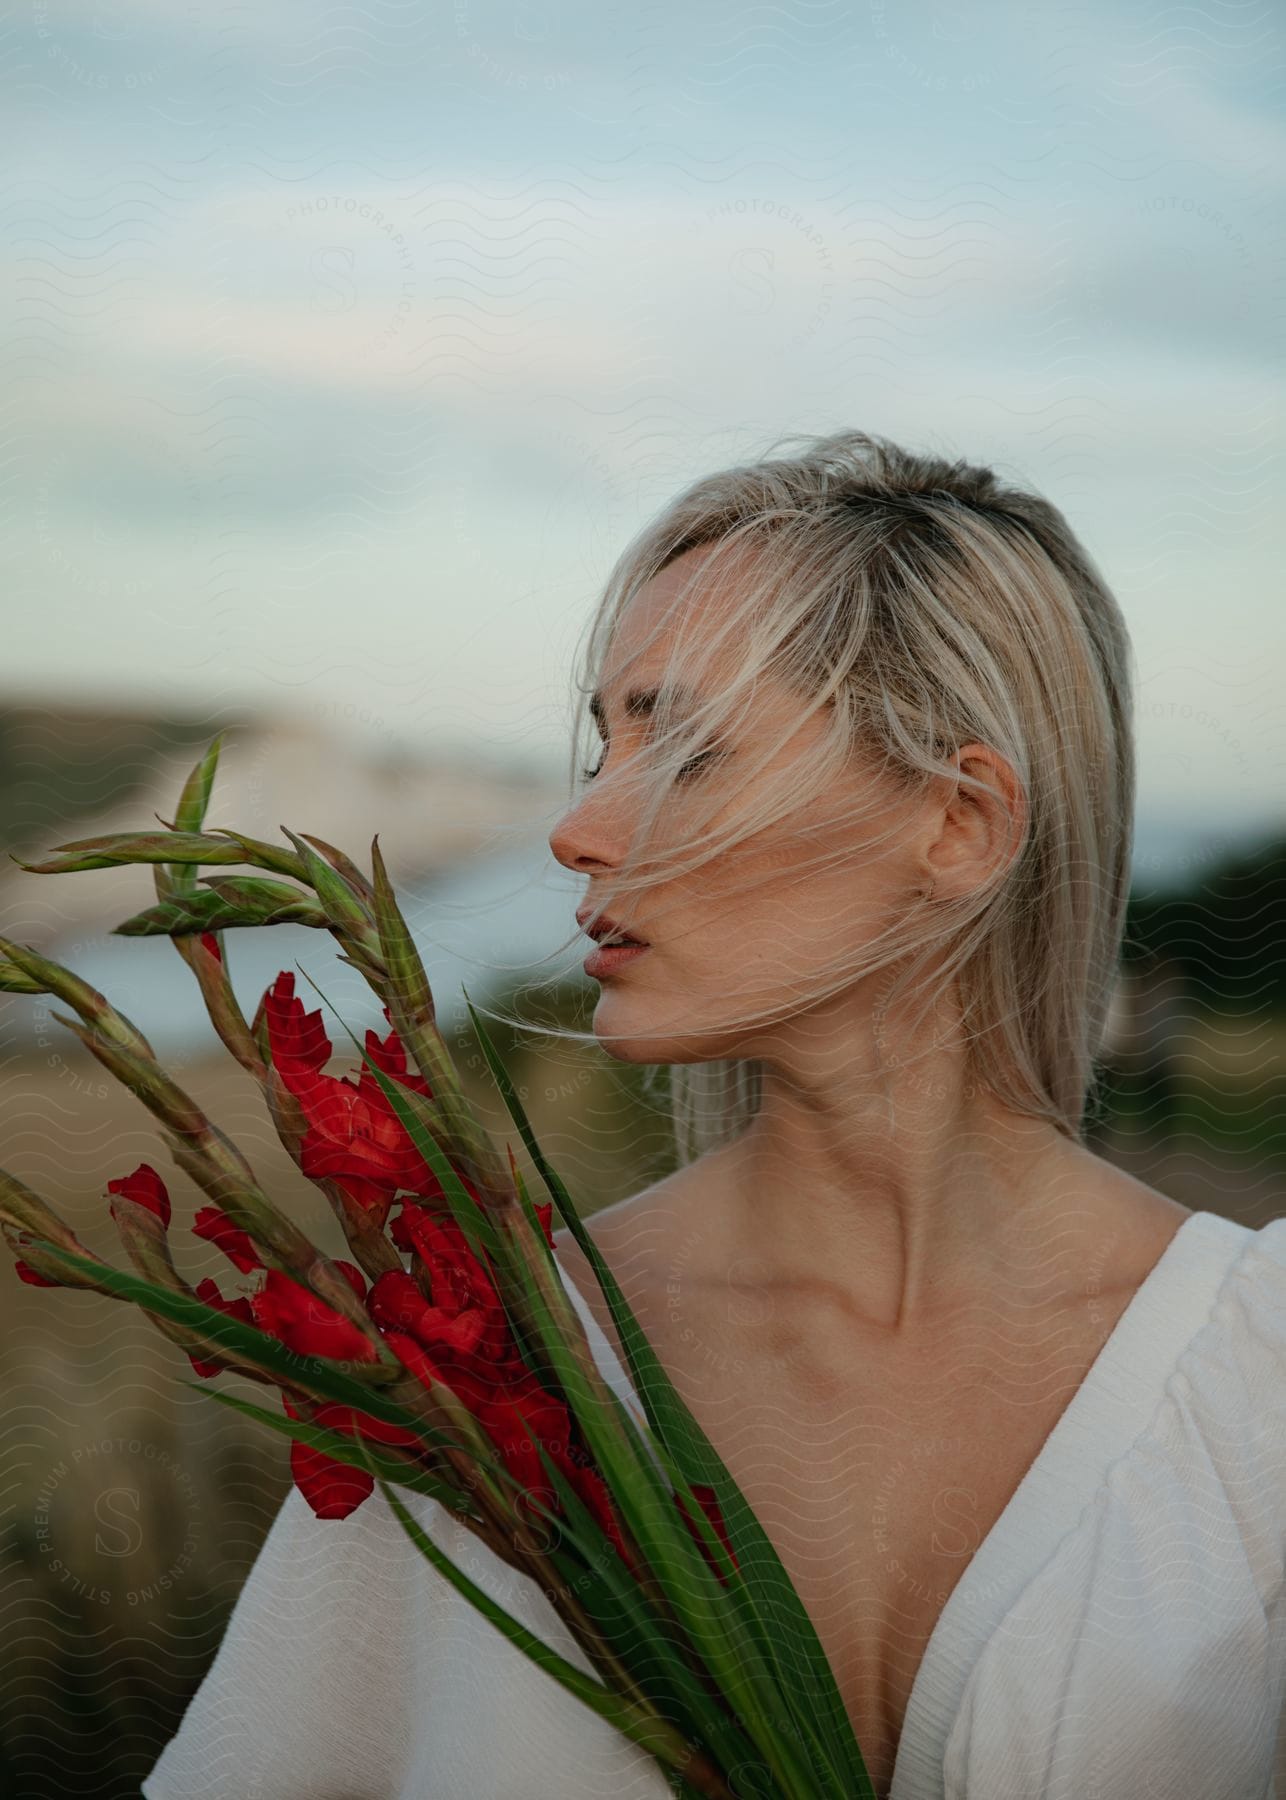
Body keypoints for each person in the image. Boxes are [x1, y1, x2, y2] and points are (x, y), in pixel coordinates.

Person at [141, 431, 1286, 1800]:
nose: (578, 826)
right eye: (601, 741)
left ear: (959, 822)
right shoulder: (493, 1366)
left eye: (681, 749)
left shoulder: (1250, 1382)